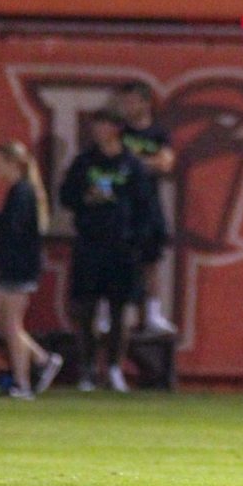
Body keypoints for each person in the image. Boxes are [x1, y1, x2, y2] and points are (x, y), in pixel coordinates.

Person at [59, 107, 152, 393]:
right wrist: (86, 197)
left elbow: (144, 206)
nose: (97, 131)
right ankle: (87, 369)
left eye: (103, 125)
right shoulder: (84, 162)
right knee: (85, 309)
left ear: (116, 129)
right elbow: (66, 196)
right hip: (90, 245)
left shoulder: (131, 165)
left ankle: (114, 368)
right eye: (95, 126)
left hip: (121, 249)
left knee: (119, 311)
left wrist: (137, 241)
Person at [0, 141, 63, 399]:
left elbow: (14, 232)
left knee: (11, 326)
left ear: (14, 164)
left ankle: (25, 380)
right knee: (8, 325)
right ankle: (40, 362)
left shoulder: (22, 192)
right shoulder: (21, 191)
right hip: (15, 268)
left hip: (16, 269)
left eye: (0, 162)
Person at [115, 81, 177, 334]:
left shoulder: (159, 134)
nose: (127, 107)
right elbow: (114, 163)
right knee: (117, 262)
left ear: (145, 103)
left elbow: (165, 164)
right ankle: (112, 313)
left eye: (131, 101)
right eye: (124, 102)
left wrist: (134, 163)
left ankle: (152, 314)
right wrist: (141, 163)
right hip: (121, 209)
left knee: (151, 262)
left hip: (148, 206)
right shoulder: (120, 133)